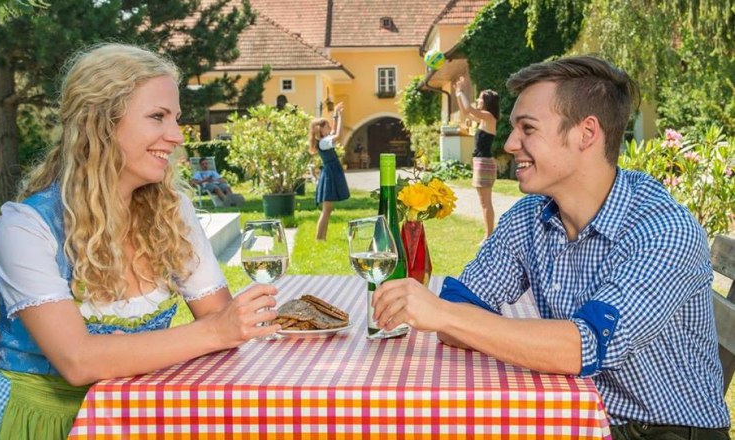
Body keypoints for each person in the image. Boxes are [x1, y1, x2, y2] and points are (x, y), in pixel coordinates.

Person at [372, 55, 730, 437]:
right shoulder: (531, 215)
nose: (510, 144)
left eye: (528, 129)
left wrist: (442, 313)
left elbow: (581, 348)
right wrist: (449, 315)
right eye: (512, 128)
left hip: (660, 432)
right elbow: (463, 306)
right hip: (576, 416)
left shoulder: (663, 229)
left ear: (586, 134)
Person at [0, 43, 280, 440]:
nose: (176, 136)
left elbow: (220, 316)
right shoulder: (26, 227)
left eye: (176, 118)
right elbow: (77, 361)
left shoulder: (171, 211)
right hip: (37, 422)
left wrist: (212, 330)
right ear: (100, 123)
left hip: (134, 412)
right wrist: (214, 332)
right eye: (157, 117)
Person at [453, 76, 500, 242]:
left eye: (480, 98)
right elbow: (465, 112)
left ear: (487, 101)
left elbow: (469, 109)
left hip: (484, 163)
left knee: (485, 203)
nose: (478, 100)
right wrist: (458, 94)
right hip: (481, 163)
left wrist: (460, 92)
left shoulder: (488, 117)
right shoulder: (483, 119)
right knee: (484, 203)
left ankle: (489, 236)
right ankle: (488, 234)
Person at [308, 102, 350, 241]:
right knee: (326, 210)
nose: (330, 127)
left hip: (330, 173)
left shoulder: (324, 140)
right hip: (330, 175)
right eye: (327, 126)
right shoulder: (324, 142)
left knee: (328, 209)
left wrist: (336, 114)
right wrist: (341, 115)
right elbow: (339, 135)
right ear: (320, 130)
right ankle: (319, 239)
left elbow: (333, 132)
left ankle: (322, 238)